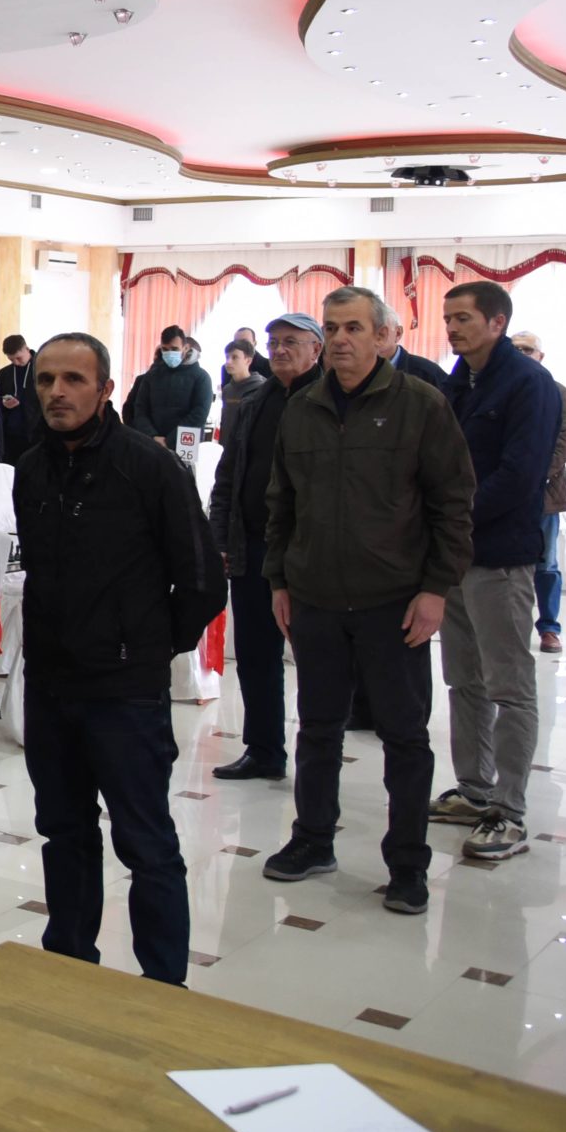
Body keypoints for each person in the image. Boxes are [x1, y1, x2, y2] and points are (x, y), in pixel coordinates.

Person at [15, 333, 223, 985]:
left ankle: (163, 984)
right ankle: (71, 965)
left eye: (74, 379)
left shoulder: (150, 467)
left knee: (145, 841)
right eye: (45, 379)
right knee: (64, 831)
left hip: (124, 692)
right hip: (52, 684)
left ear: (106, 389)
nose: (56, 392)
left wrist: (146, 649)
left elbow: (201, 581)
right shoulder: (32, 467)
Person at [261, 285, 474, 915]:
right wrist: (279, 581)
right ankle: (312, 839)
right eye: (333, 328)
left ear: (382, 336)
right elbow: (281, 504)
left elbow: (453, 505)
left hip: (394, 602)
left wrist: (435, 590)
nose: (341, 339)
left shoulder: (421, 405)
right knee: (317, 729)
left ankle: (407, 864)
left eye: (354, 327)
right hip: (316, 598)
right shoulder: (301, 409)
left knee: (405, 738)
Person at [427, 282, 563, 862]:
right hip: (454, 555)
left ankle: (509, 810)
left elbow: (520, 474)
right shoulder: (458, 381)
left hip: (500, 554)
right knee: (464, 679)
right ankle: (475, 789)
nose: (453, 328)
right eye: (448, 318)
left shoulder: (529, 384)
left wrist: (454, 517)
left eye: (463, 318)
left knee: (509, 684)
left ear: (497, 323)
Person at [206, 311, 324, 782]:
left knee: (316, 659)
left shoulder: (330, 399)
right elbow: (229, 473)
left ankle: (318, 759)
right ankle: (264, 750)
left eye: (291, 342)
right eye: (273, 343)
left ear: (316, 349)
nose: (279, 350)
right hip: (253, 544)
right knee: (256, 654)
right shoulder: (256, 399)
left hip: (310, 551)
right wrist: (219, 537)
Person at [509, 331, 566, 653]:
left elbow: (565, 442)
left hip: (544, 495)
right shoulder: (501, 391)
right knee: (508, 566)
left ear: (541, 355)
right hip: (507, 496)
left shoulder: (558, 393)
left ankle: (549, 628)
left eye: (528, 349)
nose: (522, 353)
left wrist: (533, 477)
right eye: (516, 348)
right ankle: (512, 627)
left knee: (546, 563)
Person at [123, 324, 211, 447]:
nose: (170, 353)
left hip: (185, 444)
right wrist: (152, 436)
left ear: (185, 348)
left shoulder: (201, 377)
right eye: (165, 349)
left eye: (174, 349)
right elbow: (140, 410)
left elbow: (199, 414)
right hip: (152, 443)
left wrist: (169, 441)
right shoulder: (151, 376)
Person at [377, 304, 450, 395]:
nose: (371, 336)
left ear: (398, 333)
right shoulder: (360, 372)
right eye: (364, 330)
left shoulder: (428, 373)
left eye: (380, 331)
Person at [0, 333, 38, 463]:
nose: (16, 363)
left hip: (36, 433)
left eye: (19, 358)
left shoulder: (42, 370)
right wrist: (3, 403)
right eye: (11, 360)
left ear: (27, 349)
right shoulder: (4, 373)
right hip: (10, 435)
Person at [219, 340, 268, 426]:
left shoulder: (261, 388)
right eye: (227, 357)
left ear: (248, 361)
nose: (228, 362)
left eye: (235, 357)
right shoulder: (227, 389)